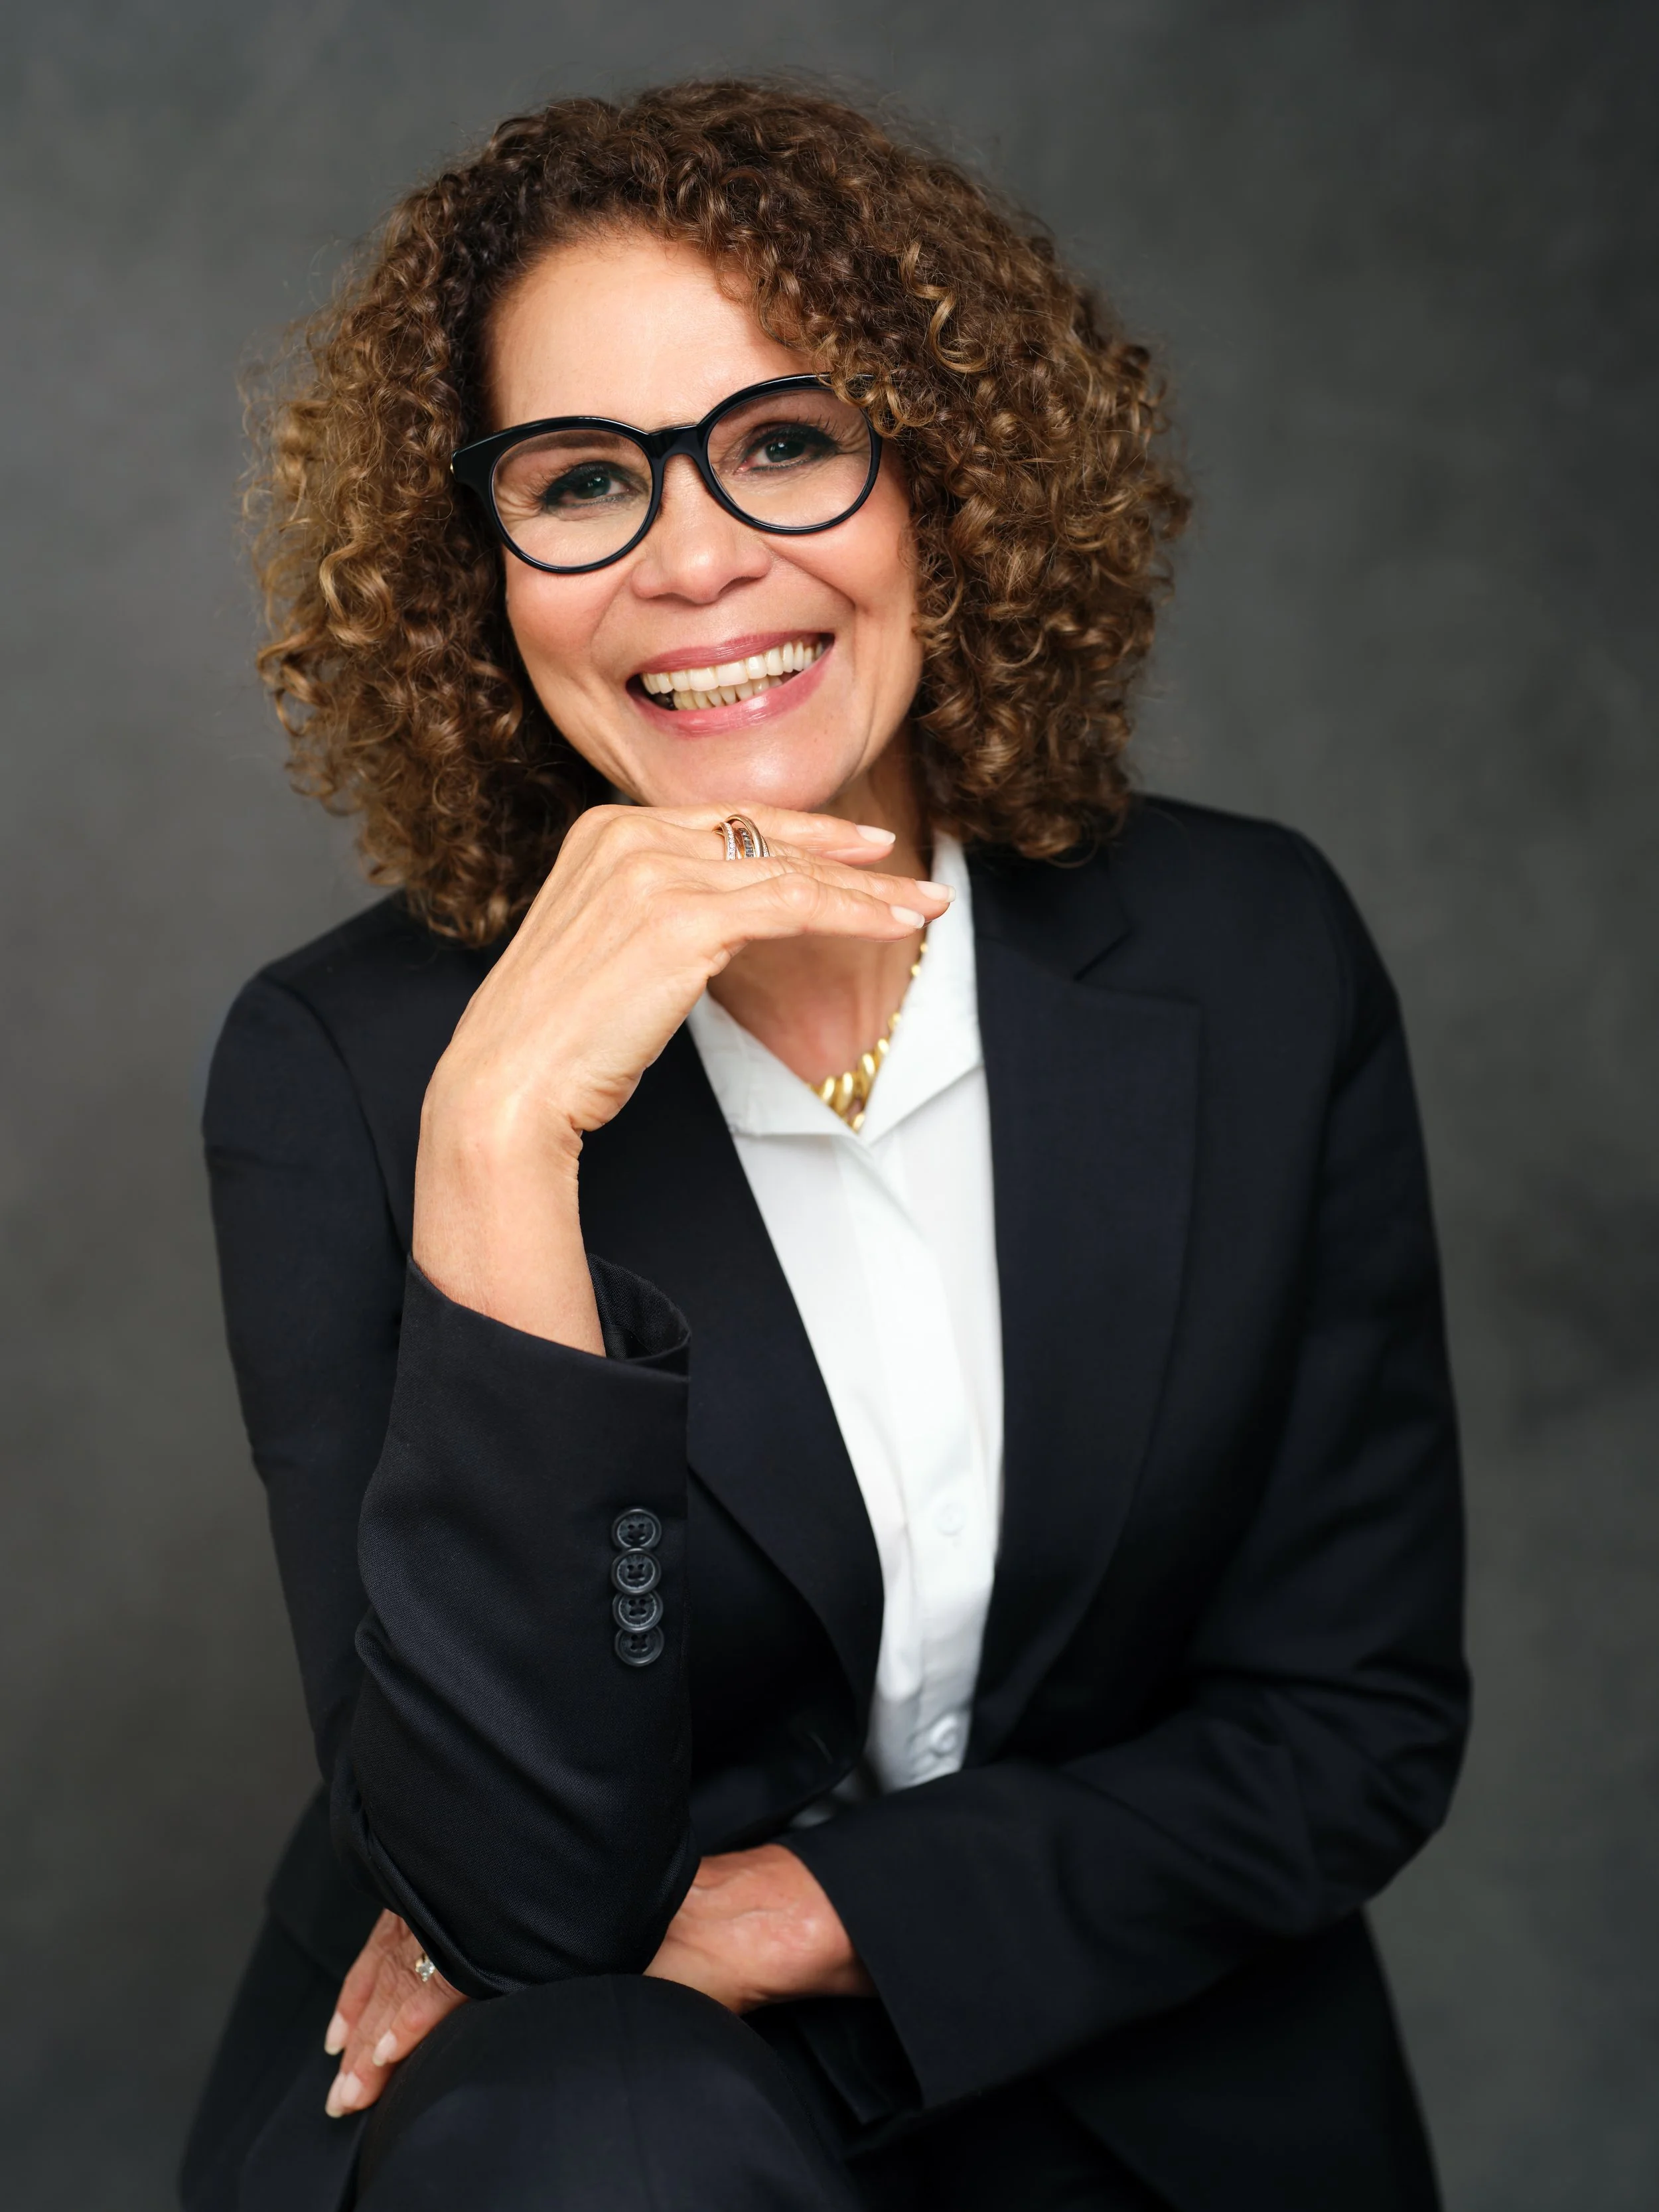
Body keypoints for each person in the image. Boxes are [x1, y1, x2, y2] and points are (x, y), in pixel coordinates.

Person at [180, 80, 1468, 2212]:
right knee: (605, 2126)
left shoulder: (1251, 957)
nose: (697, 558)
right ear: (480, 578)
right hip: (585, 2122)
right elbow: (507, 1901)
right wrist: (498, 1144)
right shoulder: (346, 1064)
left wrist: (791, 1904)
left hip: (1137, 2059)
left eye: (783, 441)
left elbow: (1349, 1724)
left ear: (939, 485)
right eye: (582, 480)